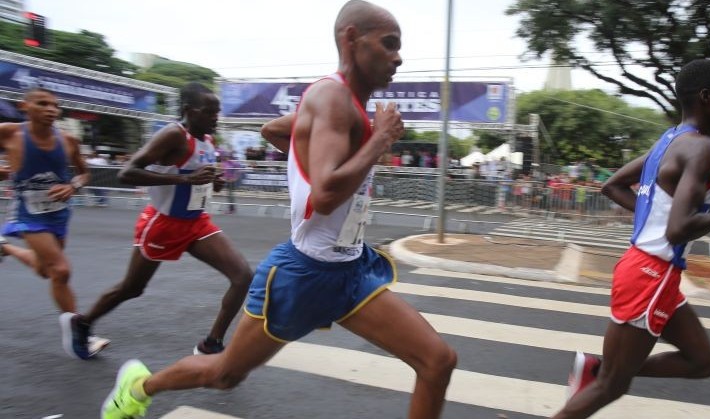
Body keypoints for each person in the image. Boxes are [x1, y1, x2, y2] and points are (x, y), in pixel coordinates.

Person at [101, 2, 456, 418]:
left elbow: (274, 131)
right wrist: (377, 142)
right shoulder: (331, 97)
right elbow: (324, 196)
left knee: (438, 361)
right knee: (225, 374)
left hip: (350, 272)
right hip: (304, 274)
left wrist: (303, 163)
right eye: (389, 44)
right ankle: (138, 387)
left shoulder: (345, 106)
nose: (398, 57)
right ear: (351, 39)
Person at [554, 59, 710, 418]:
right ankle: (608, 371)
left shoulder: (669, 139)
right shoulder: (699, 148)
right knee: (611, 387)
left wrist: (652, 219)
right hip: (652, 273)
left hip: (652, 270)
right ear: (707, 97)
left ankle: (605, 366)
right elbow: (677, 230)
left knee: (703, 362)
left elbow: (612, 185)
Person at [79, 82, 254, 357]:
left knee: (243, 276)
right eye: (209, 112)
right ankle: (82, 323)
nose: (215, 118)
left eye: (217, 112)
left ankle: (211, 344)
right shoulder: (173, 134)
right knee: (132, 288)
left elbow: (197, 178)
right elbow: (128, 173)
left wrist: (212, 183)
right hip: (164, 224)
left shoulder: (207, 140)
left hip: (197, 224)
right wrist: (185, 179)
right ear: (188, 110)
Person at [0, 87, 106, 359]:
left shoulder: (68, 140)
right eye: (42, 103)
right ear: (25, 107)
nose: (51, 110)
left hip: (59, 214)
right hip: (27, 214)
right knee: (60, 270)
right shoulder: (9, 133)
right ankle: (80, 335)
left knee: (45, 270)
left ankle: (5, 248)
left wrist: (73, 185)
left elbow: (84, 173)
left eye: (55, 105)